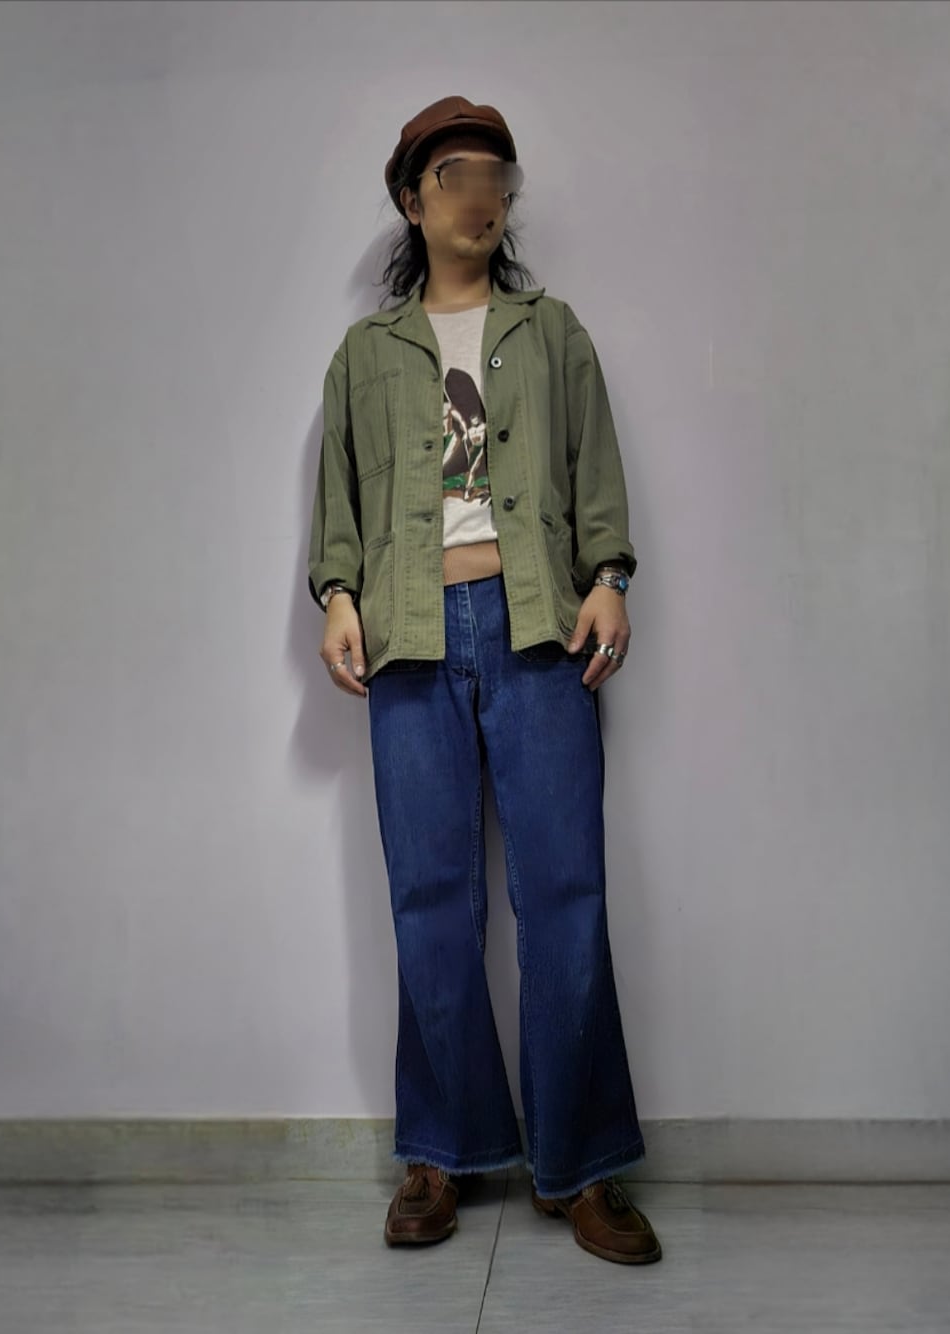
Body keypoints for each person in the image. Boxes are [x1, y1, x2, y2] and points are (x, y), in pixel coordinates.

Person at [309, 96, 662, 1265]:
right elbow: (338, 497)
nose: (477, 194)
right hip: (410, 635)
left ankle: (582, 1162)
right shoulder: (366, 354)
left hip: (539, 632)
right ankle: (441, 1149)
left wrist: (607, 576)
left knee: (565, 892)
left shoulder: (551, 334)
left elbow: (595, 471)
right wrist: (339, 595)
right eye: (452, 173)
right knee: (429, 898)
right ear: (412, 199)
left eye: (493, 176)